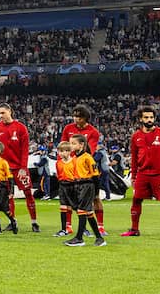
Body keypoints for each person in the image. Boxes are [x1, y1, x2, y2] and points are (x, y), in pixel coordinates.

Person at [121, 105, 160, 239]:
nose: (149, 120)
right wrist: (134, 175)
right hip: (142, 174)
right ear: (140, 119)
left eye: (151, 117)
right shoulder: (136, 136)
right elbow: (134, 157)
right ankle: (134, 229)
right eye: (146, 117)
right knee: (136, 201)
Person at [0, 103, 39, 232]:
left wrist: (23, 167)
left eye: (3, 113)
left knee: (28, 194)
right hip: (4, 169)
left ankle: (34, 222)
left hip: (19, 168)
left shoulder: (20, 128)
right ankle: (12, 221)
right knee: (9, 196)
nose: (1, 116)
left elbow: (24, 150)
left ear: (10, 111)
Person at [60, 104, 105, 232]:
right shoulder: (68, 128)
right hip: (70, 167)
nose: (76, 119)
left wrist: (77, 159)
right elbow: (63, 146)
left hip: (85, 167)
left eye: (79, 117)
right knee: (70, 197)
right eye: (74, 116)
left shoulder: (93, 132)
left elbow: (90, 150)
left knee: (95, 197)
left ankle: (100, 226)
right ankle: (68, 226)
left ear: (85, 118)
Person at [64, 134, 106, 247]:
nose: (71, 146)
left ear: (81, 145)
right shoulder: (75, 158)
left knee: (81, 210)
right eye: (70, 143)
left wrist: (96, 193)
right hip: (78, 185)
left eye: (73, 143)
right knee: (88, 213)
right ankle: (99, 238)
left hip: (87, 185)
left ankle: (79, 238)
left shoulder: (88, 157)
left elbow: (95, 175)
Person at [53, 141, 75, 236]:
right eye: (60, 151)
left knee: (78, 208)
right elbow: (58, 174)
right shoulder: (58, 163)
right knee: (63, 206)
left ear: (69, 151)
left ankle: (84, 229)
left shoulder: (75, 161)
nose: (61, 153)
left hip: (73, 185)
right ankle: (64, 229)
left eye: (63, 151)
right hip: (62, 185)